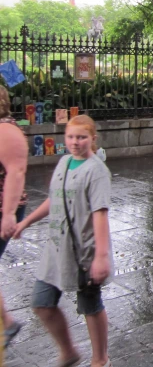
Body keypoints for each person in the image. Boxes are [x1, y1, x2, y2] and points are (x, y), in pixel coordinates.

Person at [14, 115, 112, 367]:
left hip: (83, 251)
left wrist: (101, 256)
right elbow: (54, 199)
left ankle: (100, 359)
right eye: (70, 136)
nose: (75, 142)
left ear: (92, 139)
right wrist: (26, 221)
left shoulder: (97, 171)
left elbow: (100, 214)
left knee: (90, 305)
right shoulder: (64, 162)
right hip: (56, 249)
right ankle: (68, 351)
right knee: (41, 303)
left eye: (81, 137)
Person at [0, 86, 28, 347]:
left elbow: (16, 172)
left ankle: (8, 323)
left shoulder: (7, 131)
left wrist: (8, 214)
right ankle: (7, 323)